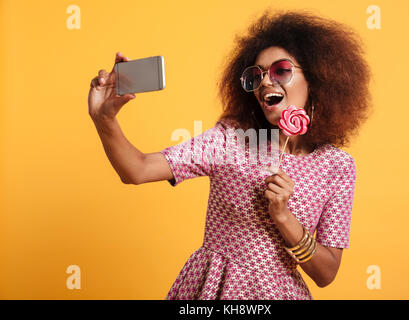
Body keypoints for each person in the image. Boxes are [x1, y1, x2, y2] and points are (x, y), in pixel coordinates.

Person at [88, 9, 371, 300]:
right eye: (256, 75)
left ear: (317, 78)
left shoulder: (337, 167)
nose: (264, 83)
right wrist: (104, 118)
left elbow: (326, 274)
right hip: (215, 291)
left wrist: (283, 217)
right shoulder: (230, 140)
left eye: (281, 70)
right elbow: (137, 169)